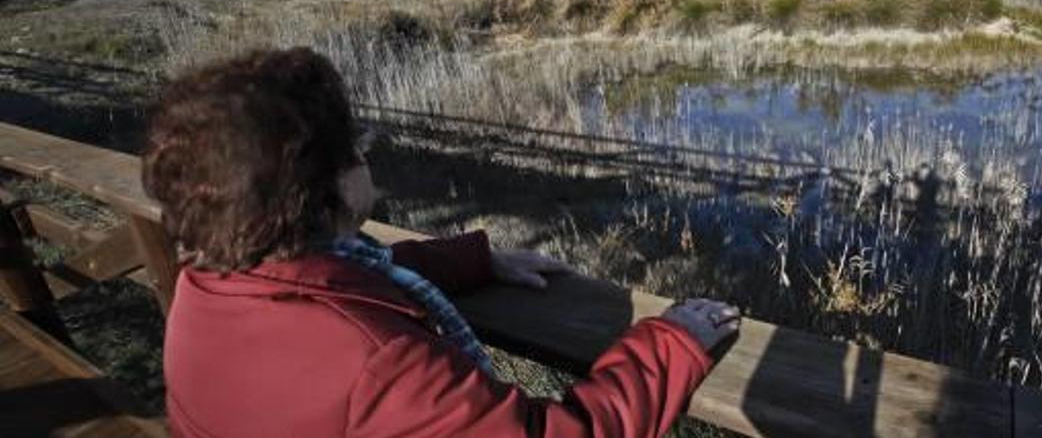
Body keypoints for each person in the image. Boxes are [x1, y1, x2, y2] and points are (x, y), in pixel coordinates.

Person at [142, 47, 741, 437]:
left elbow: (346, 284)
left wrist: (474, 260)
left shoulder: (209, 285)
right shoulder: (376, 364)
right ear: (320, 191)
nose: (366, 162)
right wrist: (672, 344)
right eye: (356, 152)